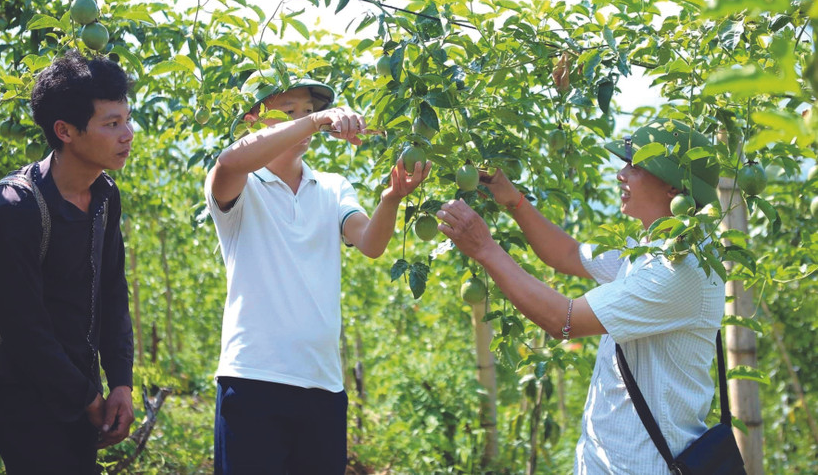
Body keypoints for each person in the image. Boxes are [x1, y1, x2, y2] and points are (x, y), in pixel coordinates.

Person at [436, 117, 723, 474]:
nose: (621, 174)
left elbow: (564, 320)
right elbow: (569, 254)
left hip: (640, 466)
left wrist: (485, 249)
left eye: (635, 166)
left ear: (672, 188)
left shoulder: (677, 269)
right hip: (608, 460)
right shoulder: (654, 248)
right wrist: (515, 202)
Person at [205, 68, 431, 474]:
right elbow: (229, 161)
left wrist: (392, 200)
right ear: (253, 120)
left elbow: (371, 243)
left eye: (308, 109)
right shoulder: (242, 185)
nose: (304, 118)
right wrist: (312, 121)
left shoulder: (331, 187)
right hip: (254, 377)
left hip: (323, 384)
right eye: (288, 109)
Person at [0, 50, 136, 474]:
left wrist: (121, 384)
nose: (127, 134)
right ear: (65, 131)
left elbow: (113, 291)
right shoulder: (16, 206)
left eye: (127, 119)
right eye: (111, 124)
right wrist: (89, 399)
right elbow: (24, 327)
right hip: (25, 401)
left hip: (82, 396)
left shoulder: (105, 195)